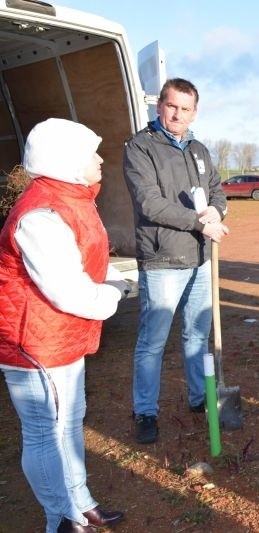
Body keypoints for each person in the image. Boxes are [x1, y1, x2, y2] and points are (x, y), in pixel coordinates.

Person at [0, 118, 127, 532]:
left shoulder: (73, 200)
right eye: (91, 152)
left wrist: (109, 282)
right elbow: (68, 291)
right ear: (66, 161)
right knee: (43, 432)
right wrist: (114, 294)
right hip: (33, 345)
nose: (100, 159)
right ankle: (62, 519)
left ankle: (81, 501)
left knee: (70, 422)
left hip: (62, 336)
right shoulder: (41, 214)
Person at [124, 78, 230, 444]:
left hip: (200, 258)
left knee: (196, 334)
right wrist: (200, 223)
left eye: (186, 109)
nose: (177, 114)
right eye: (172, 106)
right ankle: (145, 412)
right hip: (162, 258)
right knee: (153, 341)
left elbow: (216, 189)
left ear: (194, 112)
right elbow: (149, 203)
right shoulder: (141, 147)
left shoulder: (198, 149)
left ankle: (200, 398)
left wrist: (215, 213)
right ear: (159, 106)